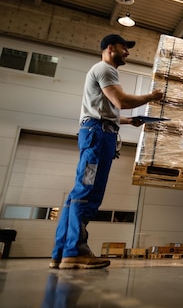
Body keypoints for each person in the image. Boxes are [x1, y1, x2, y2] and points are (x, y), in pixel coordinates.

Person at [50, 34, 164, 269]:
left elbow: (105, 109)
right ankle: (75, 251)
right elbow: (121, 100)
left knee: (77, 194)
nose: (128, 52)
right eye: (124, 48)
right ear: (110, 48)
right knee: (88, 191)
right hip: (98, 137)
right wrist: (151, 97)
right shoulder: (106, 69)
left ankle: (61, 252)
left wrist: (127, 121)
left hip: (97, 132)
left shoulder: (100, 71)